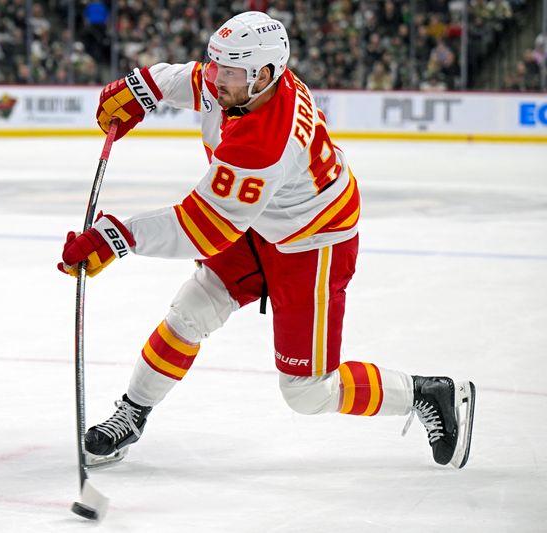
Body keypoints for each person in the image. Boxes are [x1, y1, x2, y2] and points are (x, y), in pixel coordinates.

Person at [58, 11, 475, 469]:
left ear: (265, 75)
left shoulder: (265, 140)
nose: (216, 80)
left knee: (308, 392)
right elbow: (186, 79)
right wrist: (141, 87)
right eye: (216, 65)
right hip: (259, 220)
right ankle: (133, 413)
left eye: (229, 72)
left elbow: (204, 228)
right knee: (191, 310)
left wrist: (115, 238)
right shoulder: (241, 85)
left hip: (312, 241)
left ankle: (426, 393)